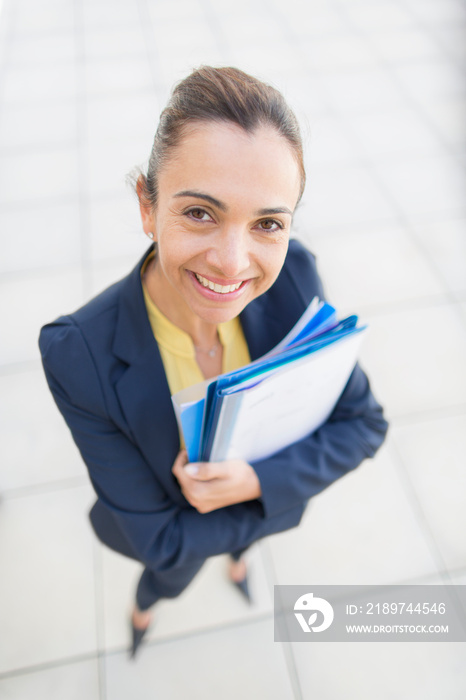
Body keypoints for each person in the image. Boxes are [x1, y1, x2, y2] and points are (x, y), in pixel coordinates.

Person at [39, 66, 388, 659]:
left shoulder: (294, 275)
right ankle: (143, 609)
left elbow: (365, 424)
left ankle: (235, 560)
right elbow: (166, 544)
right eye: (200, 212)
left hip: (237, 492)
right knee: (165, 579)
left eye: (268, 224)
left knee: (231, 544)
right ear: (147, 207)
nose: (232, 263)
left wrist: (255, 483)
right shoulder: (79, 354)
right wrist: (275, 501)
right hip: (168, 541)